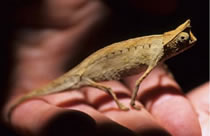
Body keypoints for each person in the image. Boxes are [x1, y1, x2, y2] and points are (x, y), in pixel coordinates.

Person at [2, 0, 209, 136]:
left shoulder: (160, 50)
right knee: (103, 89)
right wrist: (132, 104)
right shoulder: (157, 50)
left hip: (95, 65)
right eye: (183, 39)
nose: (188, 41)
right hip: (89, 72)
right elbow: (139, 80)